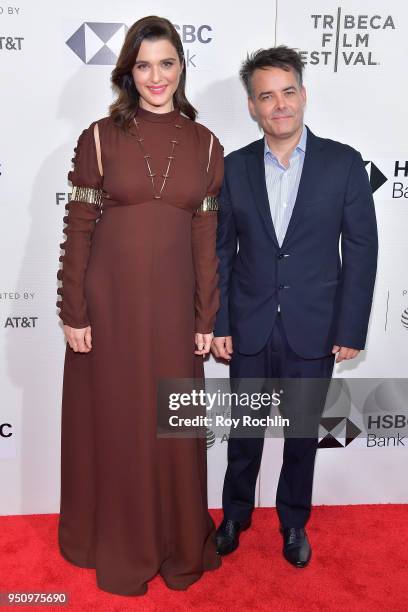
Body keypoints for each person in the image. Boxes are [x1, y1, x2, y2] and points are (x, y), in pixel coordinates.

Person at [56, 15, 223, 596]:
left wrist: (207, 317)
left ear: (181, 67)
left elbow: (206, 241)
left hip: (175, 310)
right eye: (144, 65)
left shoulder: (206, 145)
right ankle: (110, 538)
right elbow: (78, 227)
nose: (156, 77)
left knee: (171, 424)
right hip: (109, 308)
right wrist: (73, 309)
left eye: (167, 63)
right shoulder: (99, 136)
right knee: (119, 423)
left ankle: (177, 540)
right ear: (129, 71)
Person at [211, 46, 378, 567]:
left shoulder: (344, 163)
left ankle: (293, 523)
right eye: (267, 96)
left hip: (314, 328)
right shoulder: (233, 168)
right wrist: (218, 322)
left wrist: (351, 326)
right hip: (249, 325)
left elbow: (362, 250)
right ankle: (234, 514)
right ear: (252, 107)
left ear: (303, 95)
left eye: (287, 92)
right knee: (244, 431)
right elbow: (219, 252)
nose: (279, 105)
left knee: (302, 434)